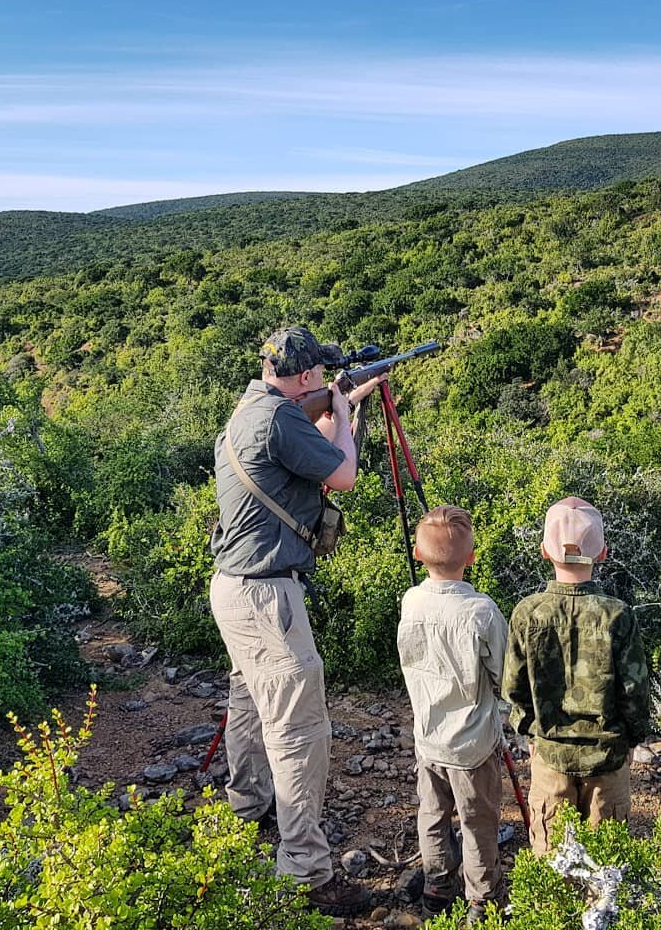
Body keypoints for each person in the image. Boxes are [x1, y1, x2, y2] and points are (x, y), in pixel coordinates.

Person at [209, 325, 383, 916]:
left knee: (249, 703)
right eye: (320, 378)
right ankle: (306, 871)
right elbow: (342, 475)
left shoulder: (249, 412)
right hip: (268, 596)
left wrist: (340, 407)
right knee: (299, 729)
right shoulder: (283, 418)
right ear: (306, 378)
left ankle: (246, 808)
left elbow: (303, 457)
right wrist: (341, 410)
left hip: (234, 589)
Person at [502, 497, 649, 856]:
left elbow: (514, 687)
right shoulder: (617, 614)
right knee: (605, 869)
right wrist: (634, 739)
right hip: (608, 758)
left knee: (553, 866)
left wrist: (529, 731)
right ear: (602, 554)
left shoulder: (528, 613)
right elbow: (635, 690)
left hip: (550, 754)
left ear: (543, 551)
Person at [397, 505, 509, 925]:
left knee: (432, 814)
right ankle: (483, 898)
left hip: (428, 738)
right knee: (478, 820)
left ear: (417, 556)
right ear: (472, 558)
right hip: (474, 743)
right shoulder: (481, 611)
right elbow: (502, 674)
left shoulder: (411, 600)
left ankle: (437, 885)